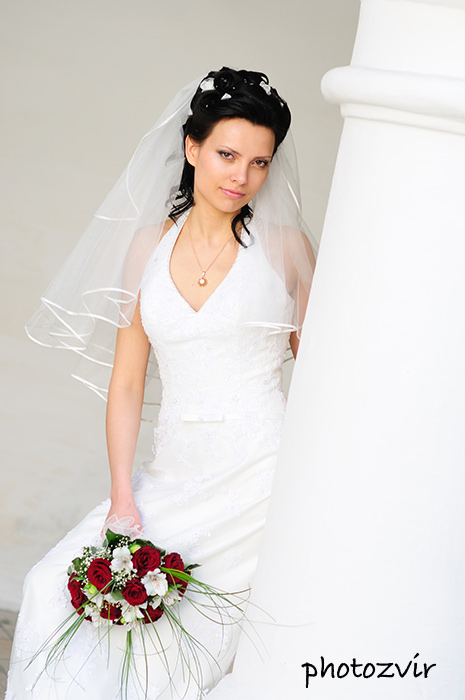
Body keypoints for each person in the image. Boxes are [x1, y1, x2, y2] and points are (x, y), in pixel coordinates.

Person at [5, 67, 318, 699]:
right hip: (171, 474)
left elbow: (319, 376)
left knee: (177, 647)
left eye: (259, 162)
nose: (242, 176)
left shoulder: (287, 248)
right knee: (46, 590)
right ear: (192, 148)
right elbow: (126, 385)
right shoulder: (146, 245)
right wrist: (122, 497)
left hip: (262, 477)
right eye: (227, 155)